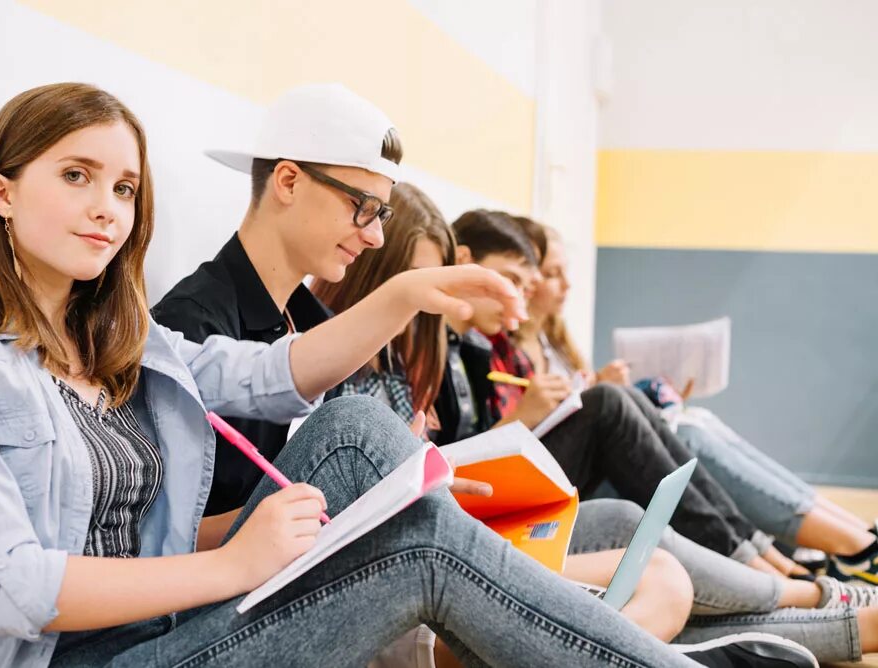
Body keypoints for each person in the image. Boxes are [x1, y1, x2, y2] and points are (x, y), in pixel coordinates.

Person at [0, 82, 812, 668]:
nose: (107, 209)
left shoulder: (125, 340)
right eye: (78, 177)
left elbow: (269, 375)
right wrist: (230, 564)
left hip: (178, 625)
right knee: (428, 539)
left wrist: (407, 291)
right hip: (89, 660)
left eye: (124, 189)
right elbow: (7, 589)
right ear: (1, 193)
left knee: (366, 435)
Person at [314, 182, 878, 665]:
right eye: (530, 277)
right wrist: (512, 422)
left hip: (466, 518)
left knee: (637, 526)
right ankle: (819, 598)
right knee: (655, 568)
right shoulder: (360, 354)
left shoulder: (427, 342)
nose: (540, 291)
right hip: (442, 537)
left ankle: (818, 593)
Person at [513, 219, 878, 586]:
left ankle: (854, 539)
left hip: (593, 461)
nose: (566, 284)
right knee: (686, 433)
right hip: (574, 483)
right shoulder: (502, 353)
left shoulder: (555, 346)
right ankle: (823, 551)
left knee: (692, 421)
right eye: (550, 274)